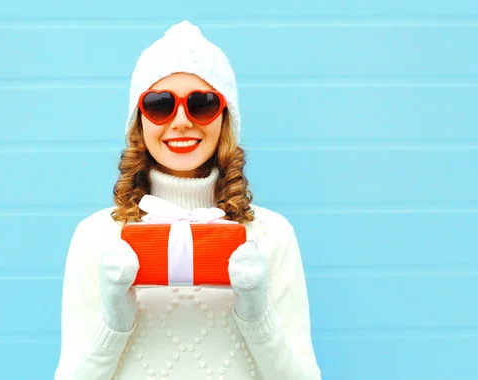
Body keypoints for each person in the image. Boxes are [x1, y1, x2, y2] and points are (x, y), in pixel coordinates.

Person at [54, 20, 321, 380]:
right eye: (160, 104)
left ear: (225, 118)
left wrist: (258, 317)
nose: (180, 121)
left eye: (202, 103)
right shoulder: (96, 237)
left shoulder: (271, 235)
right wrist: (113, 323)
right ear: (139, 121)